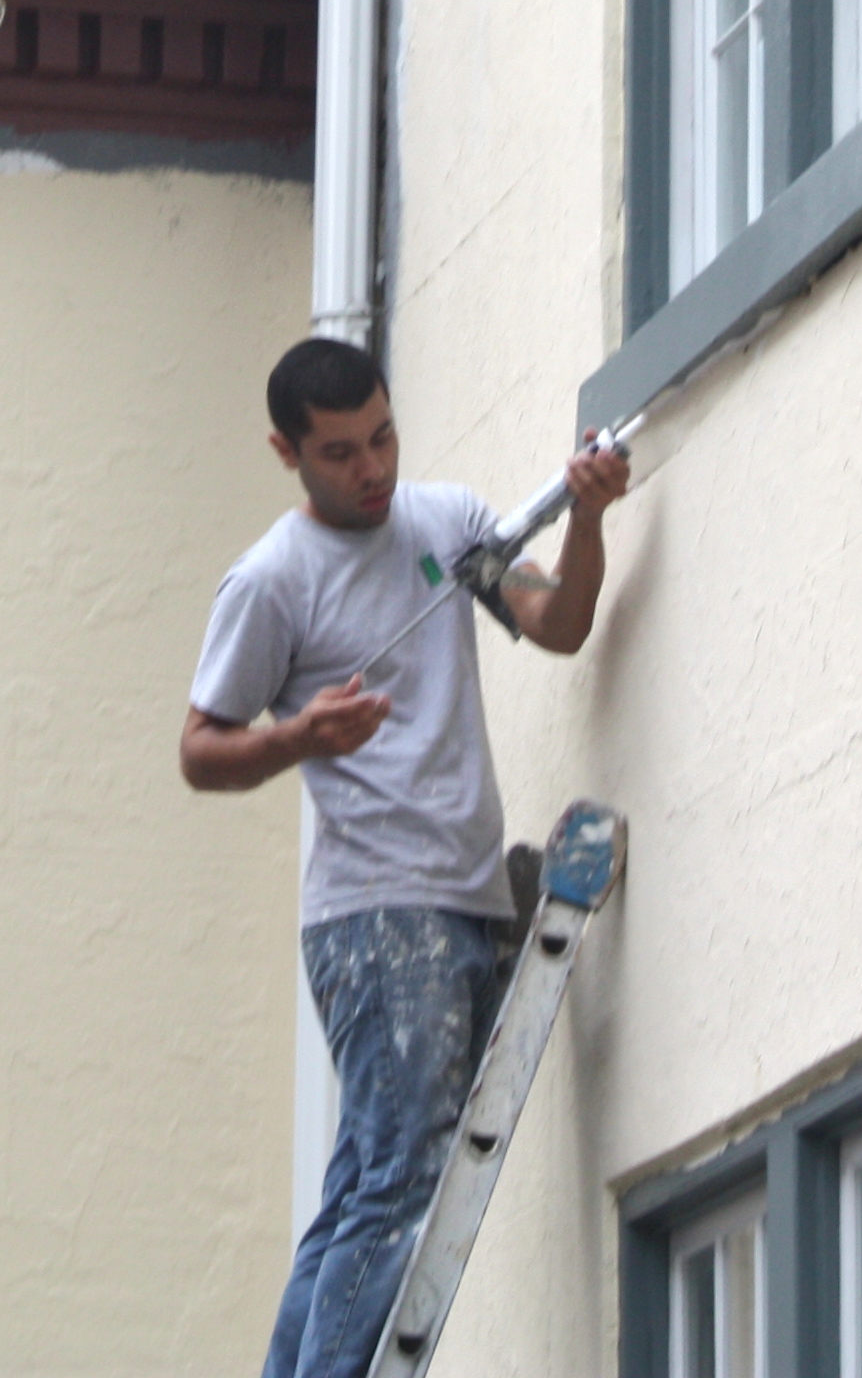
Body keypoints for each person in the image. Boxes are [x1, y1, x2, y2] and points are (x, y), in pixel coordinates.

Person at [182, 337, 629, 1378]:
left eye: (382, 435)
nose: (373, 467)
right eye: (340, 452)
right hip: (376, 914)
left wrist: (592, 514)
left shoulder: (448, 523)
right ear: (285, 451)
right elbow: (200, 750)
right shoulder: (272, 581)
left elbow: (555, 623)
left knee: (366, 1187)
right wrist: (299, 736)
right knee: (400, 1181)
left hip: (465, 897)